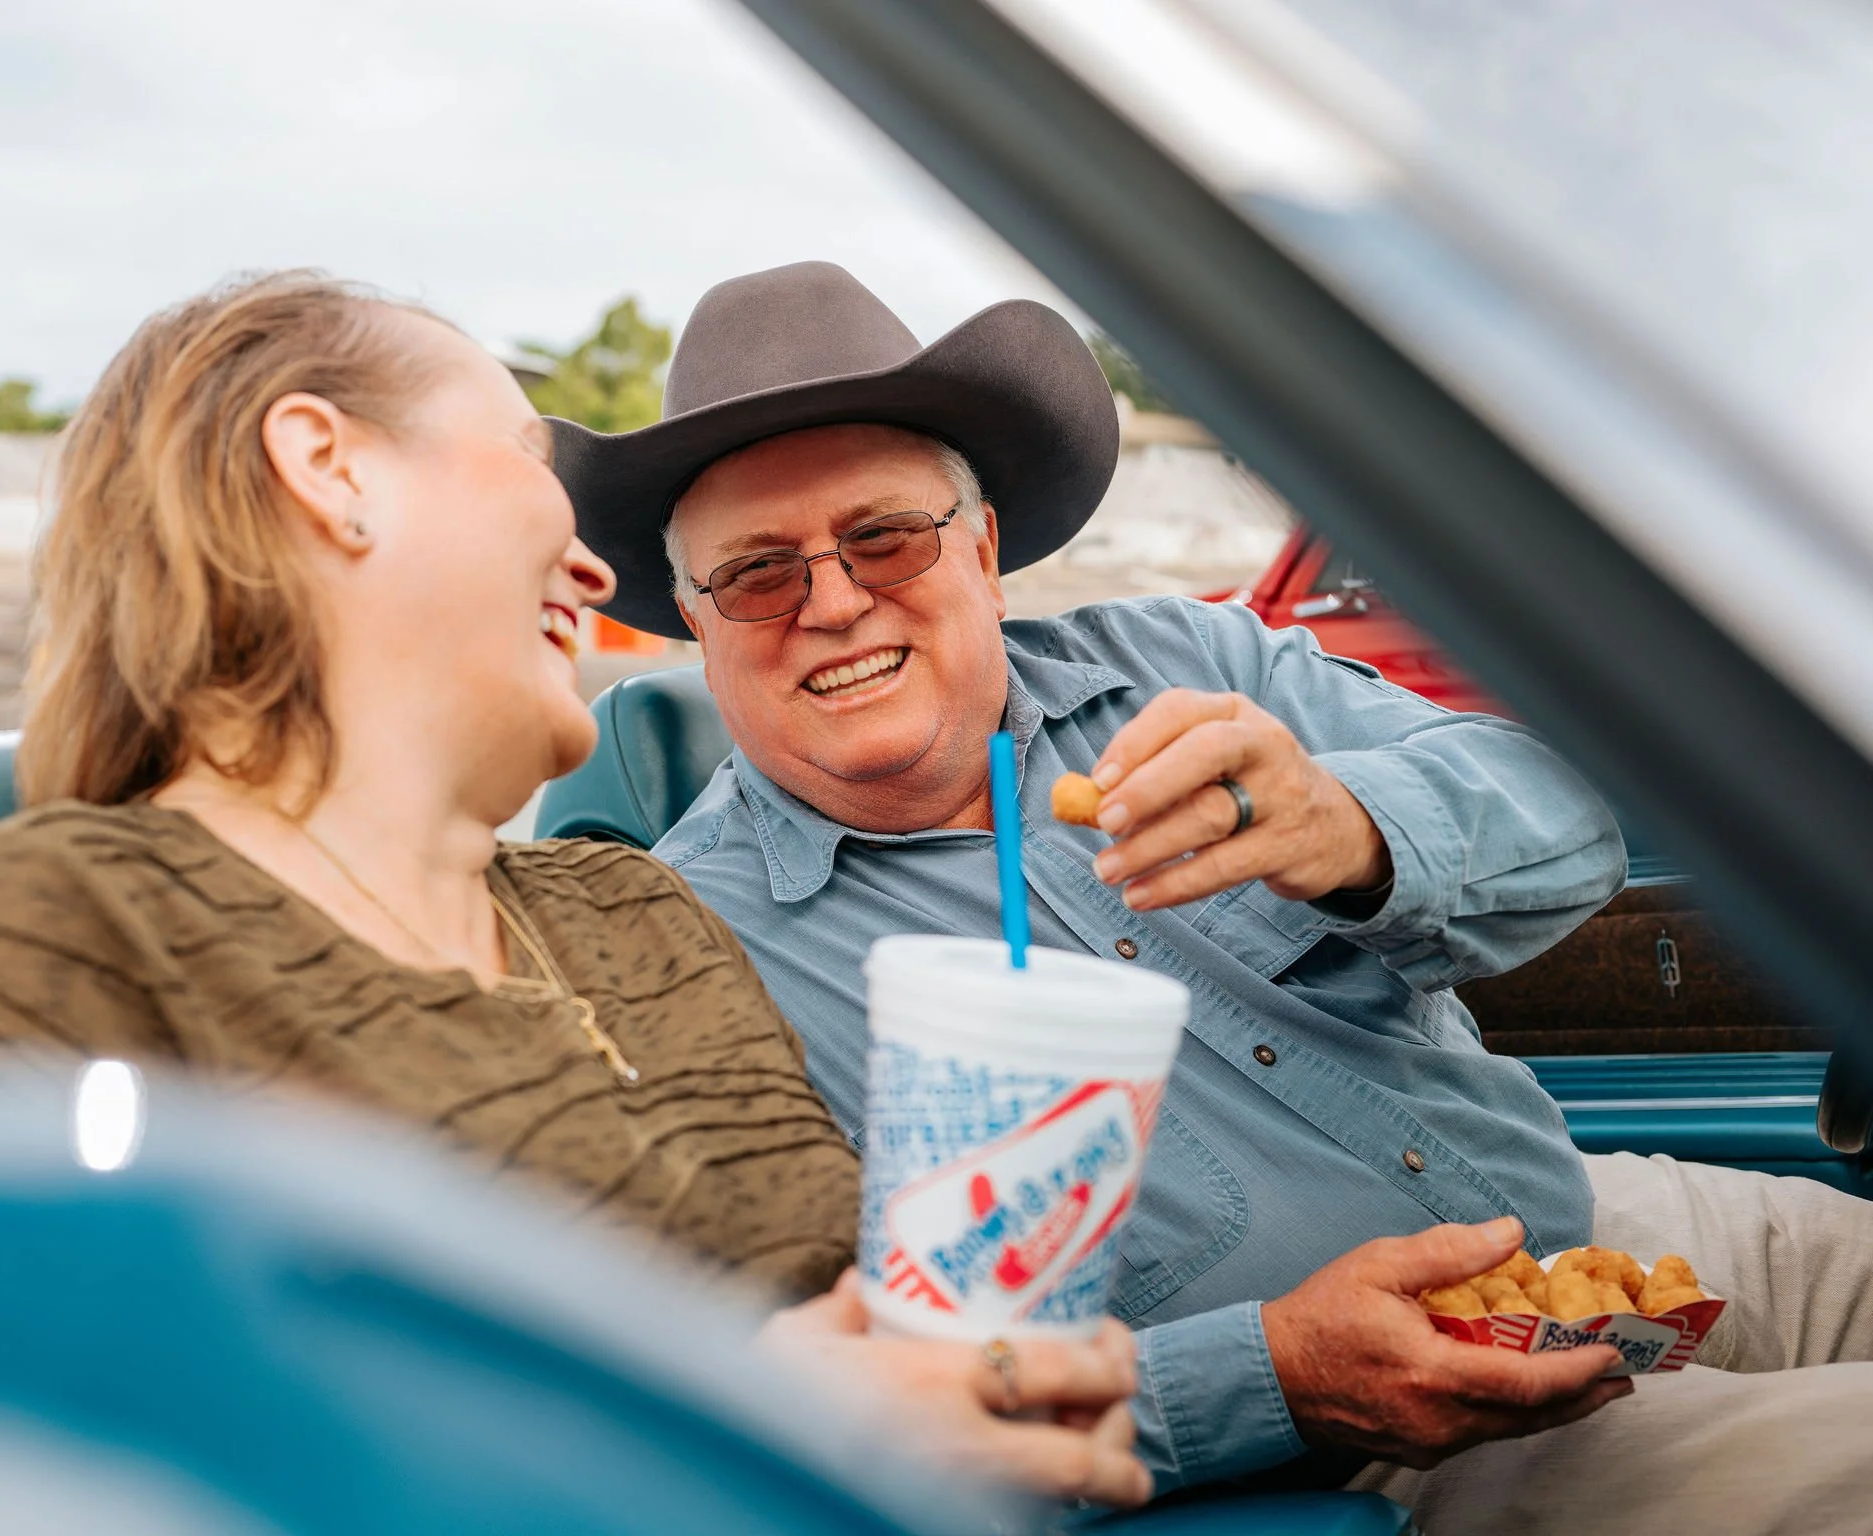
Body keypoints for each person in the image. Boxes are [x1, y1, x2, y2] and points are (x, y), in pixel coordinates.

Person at [555, 260, 1873, 1532]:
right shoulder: (698, 960)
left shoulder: (1187, 659)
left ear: (985, 548)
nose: (834, 603)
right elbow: (863, 1414)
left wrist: (1352, 829)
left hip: (1590, 1233)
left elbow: (1567, 816)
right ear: (694, 611)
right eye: (760, 571)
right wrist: (1280, 1377)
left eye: (885, 538)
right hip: (1367, 1466)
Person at [0, 271, 1150, 1510]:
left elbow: (846, 1329)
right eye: (528, 464)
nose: (590, 569)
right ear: (327, 469)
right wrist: (744, 1436)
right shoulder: (55, 923)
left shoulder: (633, 913)